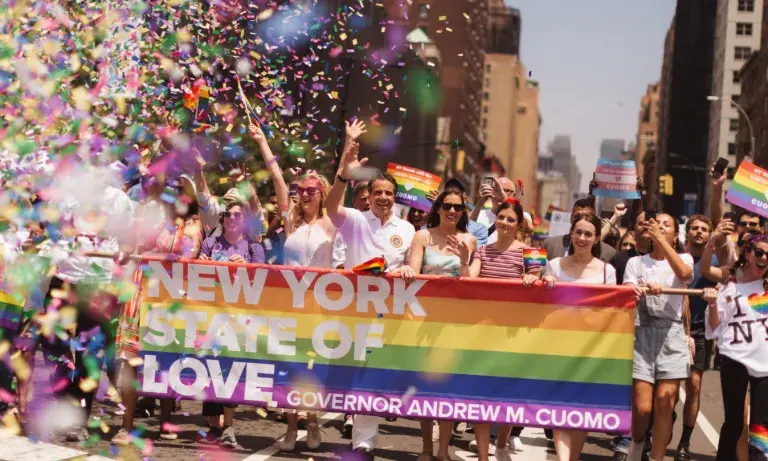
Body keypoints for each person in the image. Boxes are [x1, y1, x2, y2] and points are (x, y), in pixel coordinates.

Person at [326, 140, 416, 459]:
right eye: (377, 192)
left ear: (395, 197)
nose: (382, 197)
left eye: (388, 193)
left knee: (371, 375)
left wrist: (406, 268)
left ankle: (364, 442)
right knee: (349, 373)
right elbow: (331, 209)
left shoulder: (407, 229)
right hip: (351, 309)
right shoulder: (354, 220)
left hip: (386, 313)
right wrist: (342, 176)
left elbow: (413, 267)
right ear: (370, 195)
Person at [112, 174, 203, 443]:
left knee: (165, 362)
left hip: (168, 298)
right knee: (129, 364)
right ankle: (126, 426)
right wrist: (124, 253)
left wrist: (157, 255)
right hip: (139, 294)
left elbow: (189, 254)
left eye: (179, 190)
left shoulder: (191, 225)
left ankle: (165, 422)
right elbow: (129, 244)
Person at [400, 189, 476, 461]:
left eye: (458, 207)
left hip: (454, 322)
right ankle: (426, 448)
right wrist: (408, 270)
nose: (452, 210)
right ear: (439, 208)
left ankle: (443, 449)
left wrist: (465, 260)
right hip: (424, 319)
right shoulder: (422, 236)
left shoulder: (469, 240)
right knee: (424, 385)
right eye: (447, 205)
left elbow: (471, 285)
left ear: (464, 211)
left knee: (447, 387)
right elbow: (414, 270)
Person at [461, 197, 539, 461]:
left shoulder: (530, 252)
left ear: (519, 225)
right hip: (483, 333)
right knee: (482, 397)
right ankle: (484, 456)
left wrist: (533, 278)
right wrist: (463, 260)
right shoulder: (483, 250)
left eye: (511, 219)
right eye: (502, 217)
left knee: (509, 397)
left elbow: (537, 279)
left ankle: (503, 444)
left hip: (514, 335)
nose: (504, 223)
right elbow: (469, 280)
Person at [538, 214, 617, 461]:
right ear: (571, 234)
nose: (582, 238)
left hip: (591, 349)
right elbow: (540, 307)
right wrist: (544, 284)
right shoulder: (553, 266)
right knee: (560, 407)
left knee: (583, 411)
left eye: (588, 234)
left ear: (596, 239)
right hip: (558, 347)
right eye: (578, 232)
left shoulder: (607, 271)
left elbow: (612, 312)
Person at [623, 213, 694, 461]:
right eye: (657, 223)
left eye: (667, 224)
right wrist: (639, 292)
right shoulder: (636, 263)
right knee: (642, 408)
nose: (660, 226)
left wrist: (661, 241)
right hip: (642, 333)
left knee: (666, 403)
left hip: (671, 334)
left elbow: (684, 274)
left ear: (675, 235)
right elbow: (626, 295)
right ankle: (637, 440)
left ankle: (658, 458)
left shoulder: (683, 257)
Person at [195, 200, 265, 448]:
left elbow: (265, 278)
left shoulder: (254, 246)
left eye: (238, 214)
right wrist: (204, 263)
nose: (231, 218)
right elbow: (196, 272)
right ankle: (213, 424)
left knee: (231, 370)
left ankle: (229, 426)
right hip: (210, 315)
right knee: (209, 368)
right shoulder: (210, 243)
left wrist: (247, 267)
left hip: (238, 318)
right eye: (227, 213)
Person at [702, 230, 768, 461]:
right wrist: (711, 303)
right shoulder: (729, 287)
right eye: (760, 253)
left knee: (762, 427)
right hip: (735, 358)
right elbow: (715, 328)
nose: (764, 259)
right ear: (748, 253)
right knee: (735, 422)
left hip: (765, 364)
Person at [673, 215, 722, 460]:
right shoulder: (675, 258)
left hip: (700, 332)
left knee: (693, 386)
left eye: (704, 229)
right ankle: (659, 426)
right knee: (669, 390)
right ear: (687, 233)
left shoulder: (714, 263)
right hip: (672, 330)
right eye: (694, 228)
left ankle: (684, 441)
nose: (699, 232)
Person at [542, 199, 616, 263]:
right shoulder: (549, 245)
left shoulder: (608, 253)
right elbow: (538, 272)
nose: (582, 220)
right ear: (571, 217)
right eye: (577, 216)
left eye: (587, 217)